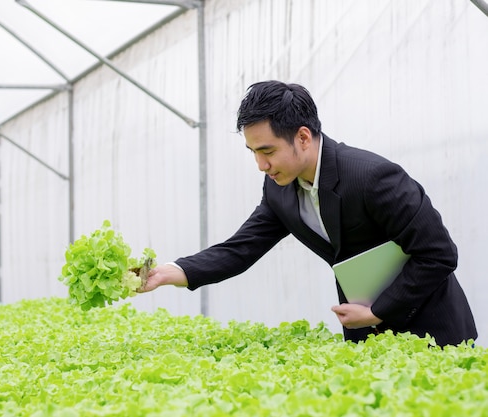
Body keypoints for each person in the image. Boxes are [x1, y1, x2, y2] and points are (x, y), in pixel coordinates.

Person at [139, 80, 477, 347]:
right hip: (369, 340)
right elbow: (240, 249)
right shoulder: (278, 189)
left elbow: (438, 254)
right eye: (253, 152)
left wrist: (377, 312)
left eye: (267, 151)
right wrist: (167, 273)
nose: (261, 165)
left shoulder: (373, 177)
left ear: (303, 137)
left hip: (434, 332)